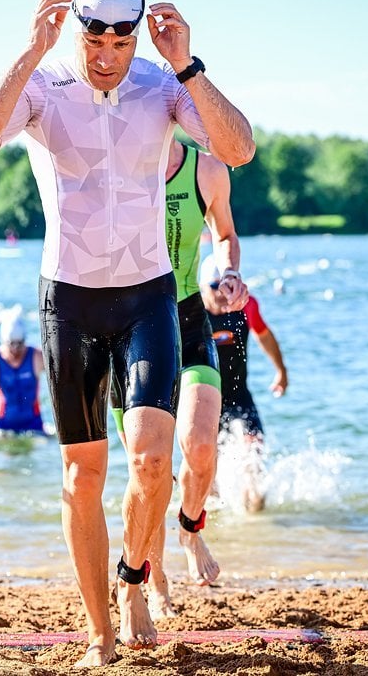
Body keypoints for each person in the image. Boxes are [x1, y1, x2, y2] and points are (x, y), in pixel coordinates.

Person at [0, 0, 254, 665]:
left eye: (122, 37)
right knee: (82, 478)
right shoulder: (44, 85)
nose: (108, 51)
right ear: (79, 28)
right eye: (96, 35)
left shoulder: (161, 84)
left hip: (148, 295)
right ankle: (98, 633)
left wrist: (188, 64)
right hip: (71, 301)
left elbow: (237, 149)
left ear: (136, 31)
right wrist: (28, 52)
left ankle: (134, 579)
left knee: (153, 462)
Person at [110, 137, 247, 618]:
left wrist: (228, 272)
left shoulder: (207, 171)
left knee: (202, 446)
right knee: (149, 471)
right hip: (127, 328)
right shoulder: (116, 164)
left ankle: (191, 526)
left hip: (187, 319)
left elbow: (224, 234)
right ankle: (156, 576)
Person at [200, 256, 288, 513]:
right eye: (215, 287)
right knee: (206, 474)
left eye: (226, 287)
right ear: (202, 287)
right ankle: (211, 529)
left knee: (255, 459)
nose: (221, 294)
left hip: (239, 396)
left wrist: (281, 371)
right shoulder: (192, 313)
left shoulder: (245, 306)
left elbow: (264, 335)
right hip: (205, 401)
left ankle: (256, 531)